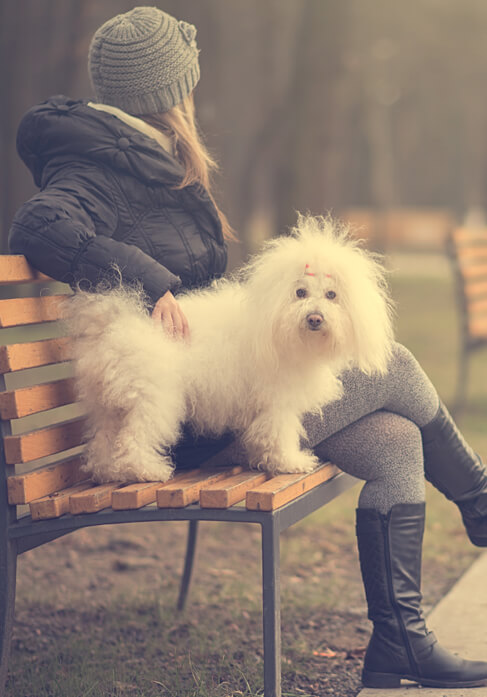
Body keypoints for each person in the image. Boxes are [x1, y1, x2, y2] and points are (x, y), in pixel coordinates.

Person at [8, 6, 487, 690]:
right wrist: (154, 283)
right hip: (197, 417)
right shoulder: (98, 162)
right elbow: (39, 224)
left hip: (222, 387)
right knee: (398, 367)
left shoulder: (143, 156)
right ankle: (478, 500)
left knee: (394, 440)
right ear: (168, 91)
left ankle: (400, 644)